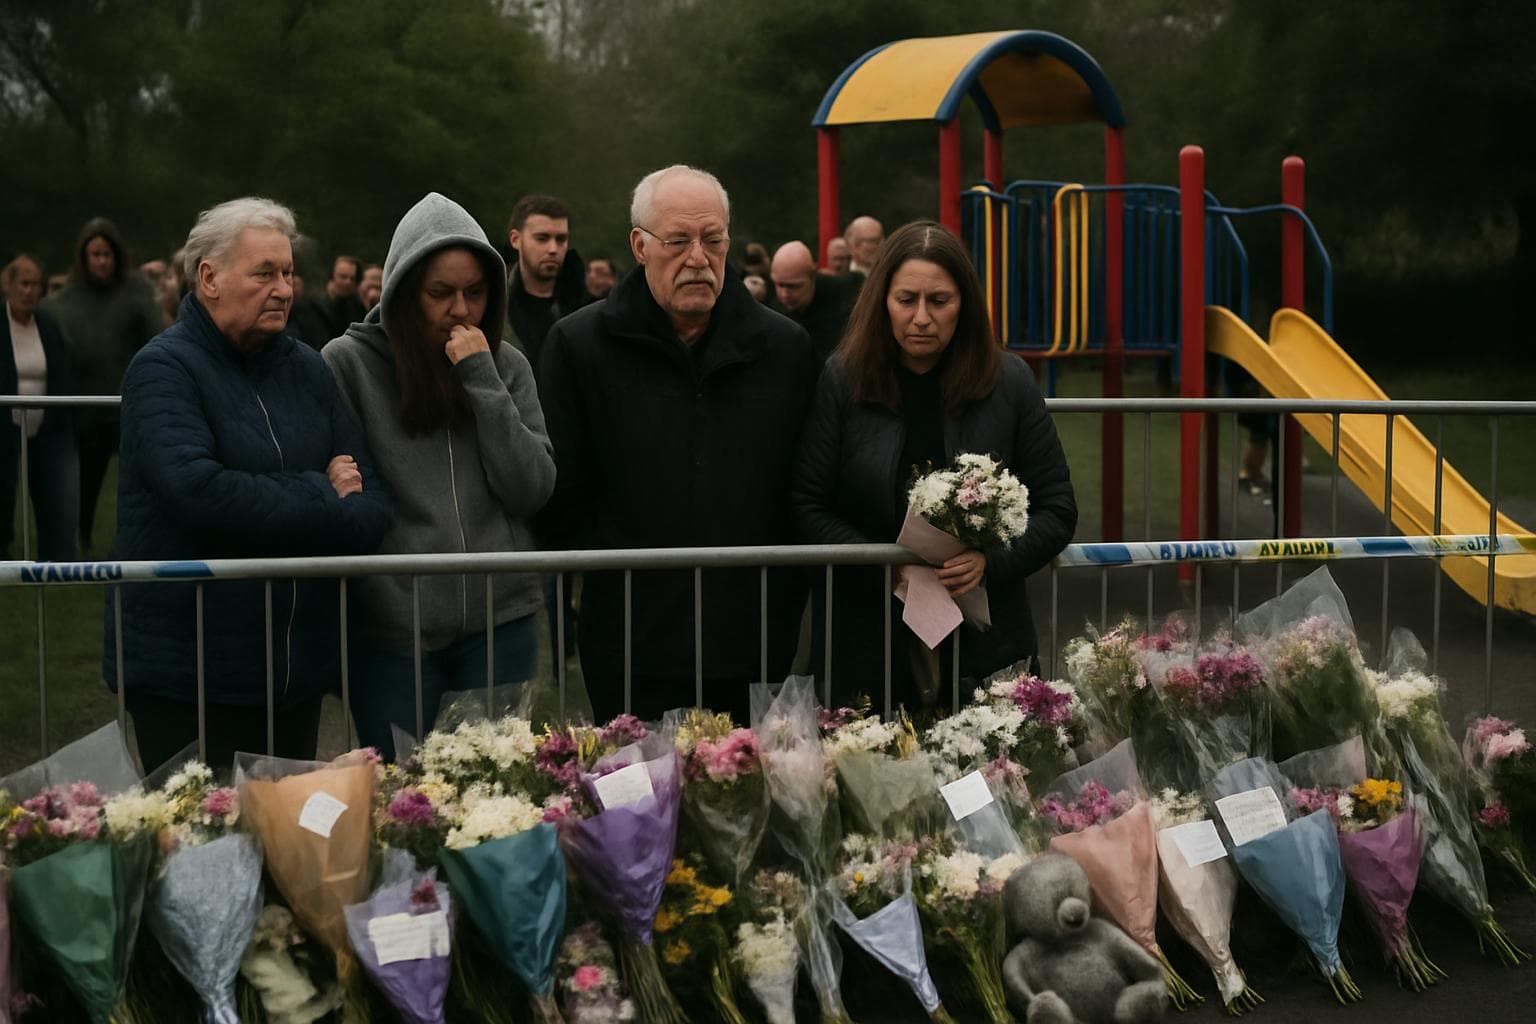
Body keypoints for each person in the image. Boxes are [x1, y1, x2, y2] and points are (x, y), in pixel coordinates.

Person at [105, 197, 392, 774]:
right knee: (201, 855)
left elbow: (373, 506)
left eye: (288, 273)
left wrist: (321, 505)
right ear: (208, 277)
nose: (284, 289)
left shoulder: (309, 369)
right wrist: (319, 492)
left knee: (283, 847)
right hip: (188, 675)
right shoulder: (163, 369)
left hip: (292, 671)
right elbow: (199, 494)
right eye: (265, 273)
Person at [538, 164, 818, 722]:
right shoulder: (578, 345)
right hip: (629, 639)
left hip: (754, 634)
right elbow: (563, 492)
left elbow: (802, 484)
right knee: (635, 804)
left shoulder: (784, 349)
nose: (698, 258)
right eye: (678, 241)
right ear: (640, 246)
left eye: (712, 241)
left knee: (745, 800)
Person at [792, 221, 1077, 710]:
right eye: (906, 300)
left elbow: (1057, 507)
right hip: (866, 632)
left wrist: (990, 561)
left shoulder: (1009, 382)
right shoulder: (842, 378)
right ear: (882, 300)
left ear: (963, 303)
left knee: (992, 780)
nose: (921, 317)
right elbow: (806, 504)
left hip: (986, 635)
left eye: (939, 301)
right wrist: (882, 563)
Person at [323, 192, 555, 759]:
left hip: (501, 621)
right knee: (404, 800)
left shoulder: (508, 365)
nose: (460, 310)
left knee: (494, 797)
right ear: (404, 294)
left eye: (475, 293)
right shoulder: (347, 365)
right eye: (440, 293)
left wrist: (481, 377)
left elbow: (532, 487)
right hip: (394, 632)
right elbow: (346, 495)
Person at [41, 217, 163, 553]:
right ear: (84, 257)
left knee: (139, 480)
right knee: (88, 481)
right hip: (85, 408)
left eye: (107, 254)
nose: (102, 261)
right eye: (95, 254)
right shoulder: (63, 302)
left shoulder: (135, 293)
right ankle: (83, 537)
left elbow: (158, 337)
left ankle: (139, 542)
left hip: (128, 405)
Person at [2, 254, 79, 561]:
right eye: (23, 283)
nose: (29, 291)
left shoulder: (49, 326)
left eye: (36, 285)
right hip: (3, 429)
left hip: (48, 429)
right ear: (7, 285)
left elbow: (63, 374)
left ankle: (57, 559)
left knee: (59, 498)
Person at [504, 194, 587, 378]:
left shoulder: (584, 303)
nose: (553, 249)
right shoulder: (496, 303)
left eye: (561, 239)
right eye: (542, 238)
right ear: (516, 240)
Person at [768, 240, 855, 359]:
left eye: (793, 286)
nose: (784, 294)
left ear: (813, 275)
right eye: (779, 285)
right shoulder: (773, 308)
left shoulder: (841, 301)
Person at [320, 254, 365, 336]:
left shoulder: (356, 308)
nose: (348, 282)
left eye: (352, 278)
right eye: (343, 277)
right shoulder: (315, 307)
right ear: (332, 276)